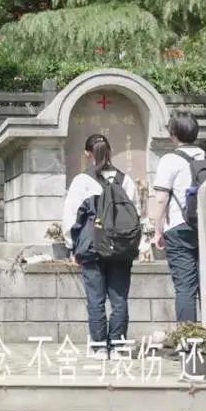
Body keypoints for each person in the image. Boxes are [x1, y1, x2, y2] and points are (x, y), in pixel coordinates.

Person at [63, 134, 140, 360]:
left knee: (95, 299)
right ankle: (118, 346)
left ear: (88, 154)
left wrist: (72, 245)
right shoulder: (126, 181)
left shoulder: (82, 181)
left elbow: (70, 217)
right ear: (110, 151)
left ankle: (99, 347)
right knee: (119, 299)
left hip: (92, 247)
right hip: (121, 248)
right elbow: (137, 216)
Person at [149, 112, 206, 323]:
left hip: (179, 228)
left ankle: (188, 338)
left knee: (185, 288)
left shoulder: (170, 160)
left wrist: (157, 231)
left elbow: (161, 199)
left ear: (173, 135)